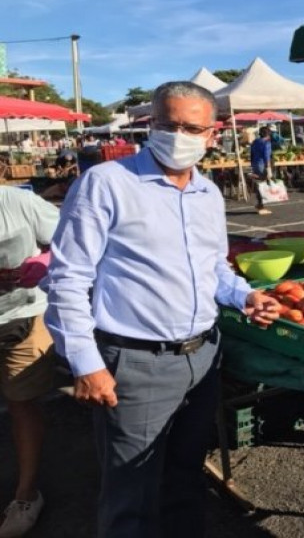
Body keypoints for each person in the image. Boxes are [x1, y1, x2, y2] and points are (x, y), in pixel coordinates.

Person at [42, 81, 282, 538]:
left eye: (193, 127)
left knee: (185, 476)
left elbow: (214, 267)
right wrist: (86, 362)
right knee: (131, 491)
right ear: (149, 125)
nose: (180, 135)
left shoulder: (208, 193)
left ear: (212, 135)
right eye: (168, 124)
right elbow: (68, 278)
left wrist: (243, 295)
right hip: (135, 362)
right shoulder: (107, 183)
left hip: (203, 356)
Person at [0, 187, 59, 537]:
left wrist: (43, 264)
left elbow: (69, 240)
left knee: (22, 402)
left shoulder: (17, 202)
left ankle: (26, 493)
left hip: (23, 319)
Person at [250, 126, 273, 215]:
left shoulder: (255, 141)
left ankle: (260, 204)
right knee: (263, 185)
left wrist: (252, 164)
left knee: (259, 185)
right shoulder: (267, 143)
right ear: (268, 134)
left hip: (255, 164)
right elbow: (266, 156)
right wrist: (268, 168)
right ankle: (261, 206)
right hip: (262, 164)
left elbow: (251, 154)